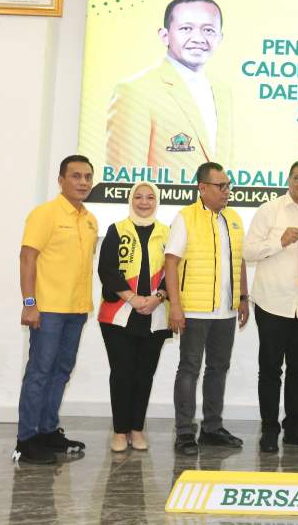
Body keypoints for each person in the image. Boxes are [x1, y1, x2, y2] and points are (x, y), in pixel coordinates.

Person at [13, 155, 97, 465]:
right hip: (47, 310)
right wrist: (29, 303)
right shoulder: (45, 214)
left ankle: (47, 431)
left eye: (87, 177)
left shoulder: (90, 220)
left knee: (61, 372)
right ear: (61, 180)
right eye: (75, 176)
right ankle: (26, 440)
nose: (83, 182)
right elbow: (27, 258)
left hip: (77, 310)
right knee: (40, 372)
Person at [243, 160, 298, 453]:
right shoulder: (269, 210)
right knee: (270, 370)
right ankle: (269, 429)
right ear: (289, 180)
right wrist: (280, 241)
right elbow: (248, 251)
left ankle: (295, 428)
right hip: (272, 303)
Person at [165, 162, 249, 455]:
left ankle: (212, 428)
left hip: (226, 311)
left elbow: (239, 260)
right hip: (194, 311)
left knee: (218, 368)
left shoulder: (234, 218)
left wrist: (243, 297)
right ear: (202, 188)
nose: (226, 191)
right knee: (189, 369)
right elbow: (171, 263)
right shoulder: (185, 217)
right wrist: (175, 306)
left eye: (228, 185)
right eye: (220, 186)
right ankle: (185, 432)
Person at [106, 0, 232, 174]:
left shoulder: (222, 92)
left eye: (208, 30)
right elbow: (125, 177)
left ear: (219, 38)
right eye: (186, 28)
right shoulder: (134, 91)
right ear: (165, 35)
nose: (198, 38)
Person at [97, 182, 171, 452]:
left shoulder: (168, 232)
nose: (144, 202)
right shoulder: (116, 229)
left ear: (157, 201)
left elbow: (176, 272)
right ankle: (120, 431)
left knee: (144, 375)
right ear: (131, 200)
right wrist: (133, 298)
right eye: (138, 197)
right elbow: (106, 269)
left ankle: (137, 429)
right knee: (122, 374)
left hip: (155, 314)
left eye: (150, 197)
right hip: (118, 315)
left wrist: (157, 297)